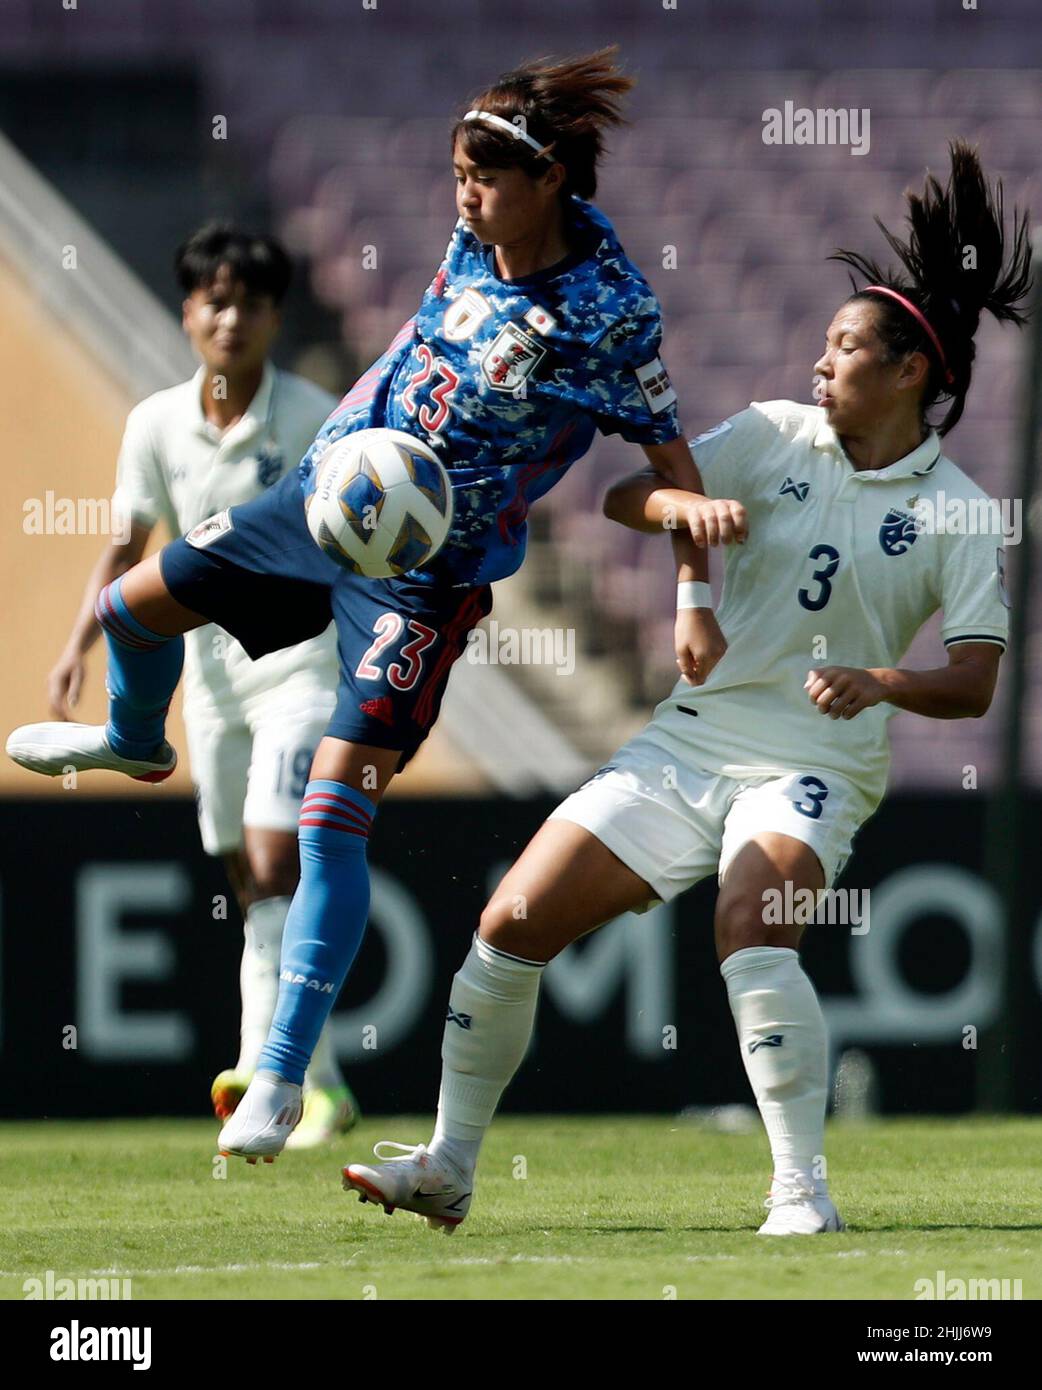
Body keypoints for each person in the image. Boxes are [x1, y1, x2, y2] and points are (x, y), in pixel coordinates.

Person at [8, 46, 735, 1160]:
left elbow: (671, 465)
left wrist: (692, 598)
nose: (464, 197)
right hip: (321, 498)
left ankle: (280, 1077)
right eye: (457, 175)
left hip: (424, 578)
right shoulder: (475, 239)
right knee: (129, 611)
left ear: (549, 181)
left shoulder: (608, 311)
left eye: (484, 179)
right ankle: (134, 740)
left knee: (328, 815)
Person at [342, 141, 1030, 1234]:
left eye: (846, 347)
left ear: (910, 373)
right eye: (822, 344)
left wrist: (879, 680)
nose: (820, 364)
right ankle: (448, 1165)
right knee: (510, 920)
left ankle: (801, 1193)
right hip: (690, 740)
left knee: (751, 923)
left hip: (813, 760)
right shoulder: (772, 433)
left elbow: (977, 684)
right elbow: (631, 494)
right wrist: (688, 535)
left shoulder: (958, 509)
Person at [37, 224, 359, 1148]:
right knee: (248, 880)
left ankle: (267, 1074)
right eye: (216, 302)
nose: (231, 320)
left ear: (275, 318)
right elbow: (126, 549)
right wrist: (79, 645)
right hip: (210, 682)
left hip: (301, 669)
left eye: (250, 304)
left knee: (275, 857)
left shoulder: (317, 417)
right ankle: (317, 1082)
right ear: (188, 314)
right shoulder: (154, 424)